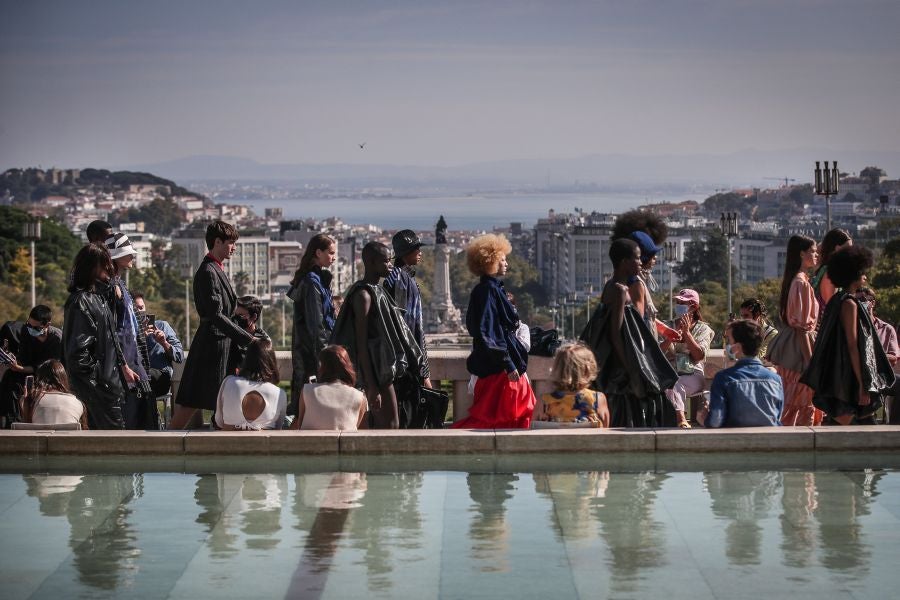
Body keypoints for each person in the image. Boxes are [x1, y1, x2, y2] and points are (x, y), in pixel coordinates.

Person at [580, 238, 677, 427]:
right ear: (624, 262)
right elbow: (616, 332)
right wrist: (631, 368)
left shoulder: (611, 285)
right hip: (621, 367)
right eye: (637, 258)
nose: (641, 262)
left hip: (616, 364)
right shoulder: (620, 290)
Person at [330, 242, 426, 429]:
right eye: (385, 261)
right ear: (372, 263)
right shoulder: (364, 295)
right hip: (375, 372)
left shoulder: (378, 290)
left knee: (392, 423)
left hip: (383, 369)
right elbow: (361, 342)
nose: (390, 265)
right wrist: (371, 386)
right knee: (388, 424)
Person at [170, 221, 254, 430]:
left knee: (212, 400)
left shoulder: (215, 269)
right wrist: (247, 338)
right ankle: (167, 441)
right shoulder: (209, 271)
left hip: (218, 343)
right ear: (217, 242)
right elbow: (216, 314)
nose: (234, 248)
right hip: (212, 345)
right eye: (231, 243)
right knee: (193, 401)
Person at [802, 246, 896, 425]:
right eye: (862, 273)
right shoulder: (849, 304)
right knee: (862, 427)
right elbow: (853, 344)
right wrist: (863, 384)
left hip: (841, 376)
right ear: (853, 275)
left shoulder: (838, 300)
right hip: (848, 379)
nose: (866, 277)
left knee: (854, 425)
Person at [452, 234, 536, 429]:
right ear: (490, 262)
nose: (506, 263)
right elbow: (489, 331)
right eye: (502, 259)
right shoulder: (488, 291)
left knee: (502, 418)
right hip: (500, 370)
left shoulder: (489, 289)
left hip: (497, 367)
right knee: (507, 417)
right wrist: (508, 364)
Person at [62, 243, 128, 429]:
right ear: (93, 267)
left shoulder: (99, 298)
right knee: (112, 445)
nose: (110, 269)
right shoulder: (83, 301)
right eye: (105, 264)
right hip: (98, 391)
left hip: (105, 387)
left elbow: (111, 342)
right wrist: (101, 383)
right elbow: (78, 355)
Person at [767, 235, 822, 426]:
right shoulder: (801, 283)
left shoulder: (796, 281)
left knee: (793, 400)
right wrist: (810, 363)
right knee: (801, 400)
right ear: (801, 254)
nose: (817, 255)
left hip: (792, 347)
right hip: (799, 350)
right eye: (813, 251)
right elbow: (802, 329)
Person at [105, 233, 153, 429]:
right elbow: (113, 329)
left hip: (132, 356)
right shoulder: (112, 286)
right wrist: (123, 364)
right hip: (126, 359)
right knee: (132, 415)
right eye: (128, 254)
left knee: (143, 410)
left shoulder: (119, 284)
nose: (132, 257)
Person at [698, 320, 784, 428]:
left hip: (735, 442)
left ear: (737, 347)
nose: (726, 344)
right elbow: (777, 417)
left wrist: (704, 417)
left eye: (728, 339)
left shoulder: (723, 378)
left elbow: (715, 422)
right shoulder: (776, 380)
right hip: (771, 442)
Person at [288, 233, 337, 415]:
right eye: (330, 253)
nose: (334, 257)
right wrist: (325, 359)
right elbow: (316, 325)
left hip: (312, 352)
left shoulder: (316, 280)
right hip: (312, 355)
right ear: (318, 253)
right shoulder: (311, 282)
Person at [384, 229, 432, 388]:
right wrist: (421, 369)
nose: (420, 252)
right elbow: (404, 326)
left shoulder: (401, 278)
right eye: (416, 249)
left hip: (406, 360)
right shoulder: (399, 280)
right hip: (405, 364)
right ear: (405, 253)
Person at [660, 289, 714, 428]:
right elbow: (657, 353)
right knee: (671, 381)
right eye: (677, 302)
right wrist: (670, 337)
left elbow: (699, 356)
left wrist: (687, 334)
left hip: (693, 374)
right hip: (670, 372)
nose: (678, 305)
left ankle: (680, 419)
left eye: (682, 303)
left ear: (694, 306)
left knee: (673, 382)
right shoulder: (668, 325)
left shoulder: (703, 329)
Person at [1, 305, 62, 424]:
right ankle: (9, 421)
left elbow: (49, 368)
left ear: (47, 325)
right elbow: (24, 358)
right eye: (29, 324)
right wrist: (11, 360)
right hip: (27, 370)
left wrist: (20, 368)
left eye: (35, 327)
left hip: (48, 375)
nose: (31, 329)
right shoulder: (26, 330)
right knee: (9, 379)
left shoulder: (57, 339)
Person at [214, 337, 286, 430]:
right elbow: (278, 428)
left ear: (247, 358)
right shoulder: (280, 394)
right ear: (271, 361)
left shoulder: (229, 382)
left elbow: (219, 422)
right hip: (264, 444)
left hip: (229, 443)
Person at [291, 345, 367, 431]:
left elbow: (300, 424)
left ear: (322, 367)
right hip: (344, 444)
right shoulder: (360, 397)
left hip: (311, 443)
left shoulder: (307, 391)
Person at [538, 343, 610, 426]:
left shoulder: (544, 402)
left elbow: (533, 431)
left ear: (557, 369)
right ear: (588, 370)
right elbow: (605, 429)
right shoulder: (598, 399)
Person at [856, 288, 900, 423]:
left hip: (881, 374)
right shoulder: (853, 326)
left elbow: (894, 357)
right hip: (859, 374)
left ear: (872, 303)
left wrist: (873, 356)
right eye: (856, 300)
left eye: (863, 300)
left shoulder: (886, 328)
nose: (859, 304)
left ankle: (895, 427)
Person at [132, 294, 184, 398]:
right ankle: (151, 412)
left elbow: (179, 356)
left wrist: (164, 343)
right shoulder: (127, 332)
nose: (139, 311)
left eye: (141, 307)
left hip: (160, 376)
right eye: (135, 309)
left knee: (142, 378)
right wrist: (139, 338)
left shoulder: (162, 326)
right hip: (135, 376)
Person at [21, 359, 89, 429]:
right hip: (68, 439)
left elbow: (26, 429)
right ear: (63, 378)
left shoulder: (33, 399)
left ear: (40, 378)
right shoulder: (77, 403)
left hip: (38, 439)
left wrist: (25, 403)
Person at [811, 228, 852, 320]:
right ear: (837, 249)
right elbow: (832, 307)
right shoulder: (830, 275)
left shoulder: (826, 270)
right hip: (827, 329)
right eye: (847, 249)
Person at [227, 294, 269, 377]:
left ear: (253, 317)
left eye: (241, 316)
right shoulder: (231, 334)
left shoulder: (263, 340)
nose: (236, 319)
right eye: (235, 315)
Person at [738, 298, 778, 364]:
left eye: (746, 316)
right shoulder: (742, 331)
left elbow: (759, 357)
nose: (743, 319)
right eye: (742, 316)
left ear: (757, 315)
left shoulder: (771, 333)